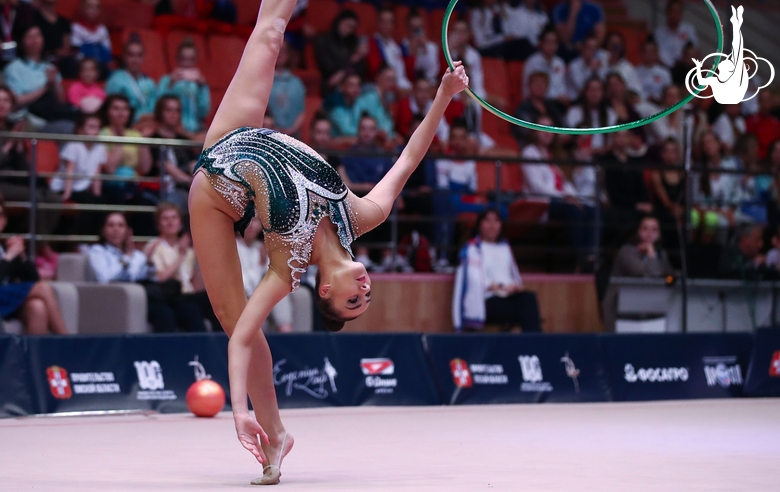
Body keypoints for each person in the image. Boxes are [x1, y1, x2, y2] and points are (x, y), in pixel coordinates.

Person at [187, 1, 468, 483]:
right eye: (368, 294)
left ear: (323, 291)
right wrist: (444, 94)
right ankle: (277, 433)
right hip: (240, 132)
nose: (364, 288)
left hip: (213, 192)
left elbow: (241, 341)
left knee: (237, 321)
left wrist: (238, 410)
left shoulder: (288, 267)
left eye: (353, 300)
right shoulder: (362, 216)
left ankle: (272, 430)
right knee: (271, 30)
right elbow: (408, 160)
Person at [521, 115, 595, 270]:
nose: (547, 133)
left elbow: (565, 183)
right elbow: (537, 186)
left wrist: (575, 198)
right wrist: (566, 197)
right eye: (543, 129)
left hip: (558, 201)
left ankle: (590, 256)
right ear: (534, 132)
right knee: (572, 210)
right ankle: (580, 259)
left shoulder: (553, 154)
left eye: (550, 129)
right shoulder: (529, 152)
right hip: (541, 203)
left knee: (591, 211)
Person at [88, 211, 179, 333]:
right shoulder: (98, 251)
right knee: (164, 310)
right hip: (115, 297)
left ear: (127, 231)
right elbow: (105, 278)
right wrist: (126, 258)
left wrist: (149, 262)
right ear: (103, 230)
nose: (116, 230)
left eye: (120, 225)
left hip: (140, 295)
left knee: (177, 302)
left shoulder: (136, 255)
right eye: (111, 225)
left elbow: (151, 278)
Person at [452, 208, 541, 333]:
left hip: (508, 296)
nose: (492, 225)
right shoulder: (472, 248)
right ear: (479, 225)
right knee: (526, 311)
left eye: (496, 221)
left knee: (528, 299)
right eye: (487, 221)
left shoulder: (505, 247)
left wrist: (515, 287)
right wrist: (500, 286)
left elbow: (513, 275)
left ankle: (535, 346)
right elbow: (474, 279)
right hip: (487, 300)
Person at [144, 203, 217, 332]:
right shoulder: (153, 247)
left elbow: (197, 287)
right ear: (158, 224)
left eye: (174, 218)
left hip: (189, 297)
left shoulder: (187, 250)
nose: (170, 222)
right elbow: (160, 278)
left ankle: (225, 346)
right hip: (170, 298)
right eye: (165, 219)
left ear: (180, 222)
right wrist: (180, 257)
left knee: (216, 303)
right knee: (192, 310)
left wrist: (198, 257)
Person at [0, 196, 68, 335]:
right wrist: (8, 258)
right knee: (43, 288)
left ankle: (35, 356)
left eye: (1, 216)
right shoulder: (6, 253)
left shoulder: (3, 246)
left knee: (38, 307)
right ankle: (68, 343)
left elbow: (33, 279)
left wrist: (22, 257)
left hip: (5, 299)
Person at [0, 85, 62, 236]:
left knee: (54, 198)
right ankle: (40, 247)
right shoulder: (11, 135)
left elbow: (24, 170)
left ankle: (42, 243)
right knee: (35, 197)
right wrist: (9, 145)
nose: (3, 104)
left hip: (16, 181)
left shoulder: (13, 128)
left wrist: (20, 147)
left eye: (7, 100)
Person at [602, 216, 674, 332]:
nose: (649, 233)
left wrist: (668, 280)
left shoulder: (661, 254)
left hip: (649, 306)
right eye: (645, 229)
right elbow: (648, 274)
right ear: (638, 232)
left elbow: (671, 277)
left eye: (654, 230)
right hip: (619, 307)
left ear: (659, 235)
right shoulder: (627, 251)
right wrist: (651, 252)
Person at [3, 24, 77, 124]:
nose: (35, 40)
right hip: (25, 117)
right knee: (66, 126)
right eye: (30, 37)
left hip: (51, 113)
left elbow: (61, 101)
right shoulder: (13, 68)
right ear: (21, 42)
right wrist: (46, 86)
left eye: (38, 36)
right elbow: (16, 102)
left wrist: (54, 83)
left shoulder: (49, 67)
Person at [49, 112, 106, 236]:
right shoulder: (73, 145)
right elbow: (70, 172)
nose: (95, 131)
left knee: (100, 204)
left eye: (97, 127)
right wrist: (66, 195)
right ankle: (83, 240)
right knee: (87, 203)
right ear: (80, 130)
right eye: (91, 127)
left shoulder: (100, 147)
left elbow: (97, 175)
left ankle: (97, 240)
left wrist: (98, 195)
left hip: (81, 190)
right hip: (63, 188)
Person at [98, 94, 153, 204]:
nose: (121, 113)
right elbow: (110, 169)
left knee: (148, 202)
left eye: (125, 109)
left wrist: (144, 141)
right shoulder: (101, 134)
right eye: (116, 108)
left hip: (133, 185)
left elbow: (145, 169)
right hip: (111, 187)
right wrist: (120, 139)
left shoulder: (136, 135)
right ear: (107, 112)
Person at [149, 95, 199, 210]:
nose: (173, 114)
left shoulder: (185, 140)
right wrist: (192, 182)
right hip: (165, 190)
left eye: (176, 110)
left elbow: (193, 164)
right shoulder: (153, 140)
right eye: (169, 110)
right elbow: (165, 166)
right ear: (160, 112)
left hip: (188, 188)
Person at [157, 38, 210, 135]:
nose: (187, 63)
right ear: (177, 58)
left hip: (194, 128)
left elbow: (204, 112)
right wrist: (171, 84)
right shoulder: (166, 80)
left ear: (195, 60)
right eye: (183, 58)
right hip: (171, 130)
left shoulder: (200, 84)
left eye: (191, 59)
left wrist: (202, 88)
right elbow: (158, 108)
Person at [313, 9, 367, 95]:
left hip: (352, 83)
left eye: (352, 27)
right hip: (330, 85)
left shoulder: (353, 43)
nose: (348, 29)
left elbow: (360, 68)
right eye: (347, 24)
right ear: (339, 21)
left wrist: (342, 73)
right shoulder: (323, 41)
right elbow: (328, 68)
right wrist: (352, 61)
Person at [105, 37, 158, 122]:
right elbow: (111, 112)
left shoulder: (150, 83)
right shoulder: (116, 81)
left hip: (150, 124)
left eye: (139, 55)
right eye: (131, 55)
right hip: (126, 126)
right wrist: (140, 118)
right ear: (125, 57)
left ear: (143, 57)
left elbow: (155, 109)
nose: (135, 60)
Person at [328, 72, 395, 140]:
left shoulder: (361, 104)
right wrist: (373, 133)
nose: (355, 88)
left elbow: (378, 121)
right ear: (342, 87)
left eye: (358, 85)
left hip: (358, 143)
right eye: (351, 85)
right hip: (337, 145)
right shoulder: (336, 108)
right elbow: (347, 131)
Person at [367, 7, 411, 91]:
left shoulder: (398, 45)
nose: (386, 25)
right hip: (383, 86)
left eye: (389, 22)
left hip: (401, 84)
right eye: (383, 21)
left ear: (393, 25)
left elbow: (407, 72)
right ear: (378, 23)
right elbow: (375, 71)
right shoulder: (372, 44)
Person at [268, 40, 305, 137]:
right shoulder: (264, 81)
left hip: (293, 135)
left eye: (283, 50)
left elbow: (301, 112)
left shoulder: (296, 83)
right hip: (268, 133)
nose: (279, 53)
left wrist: (291, 130)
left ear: (288, 54)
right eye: (277, 49)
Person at [522, 30, 568, 105]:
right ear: (541, 43)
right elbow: (528, 89)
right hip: (537, 101)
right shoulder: (532, 62)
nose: (551, 46)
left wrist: (563, 96)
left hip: (557, 102)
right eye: (548, 42)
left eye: (554, 43)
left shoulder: (559, 62)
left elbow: (561, 85)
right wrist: (555, 97)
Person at [70, 0, 112, 73]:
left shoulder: (102, 29)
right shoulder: (76, 27)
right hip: (82, 65)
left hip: (100, 65)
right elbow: (76, 52)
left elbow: (107, 51)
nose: (93, 11)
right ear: (83, 8)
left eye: (96, 8)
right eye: (90, 7)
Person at [654, 0, 698, 68]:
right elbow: (658, 55)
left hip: (685, 67)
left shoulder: (688, 29)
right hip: (666, 68)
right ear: (667, 12)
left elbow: (694, 50)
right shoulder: (659, 32)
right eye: (673, 11)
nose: (675, 15)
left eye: (678, 12)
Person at [400, 9, 439, 84]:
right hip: (410, 84)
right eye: (414, 29)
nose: (417, 32)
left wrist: (426, 49)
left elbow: (433, 72)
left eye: (419, 28)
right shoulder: (403, 46)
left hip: (429, 84)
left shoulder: (431, 47)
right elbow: (405, 74)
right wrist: (412, 53)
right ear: (408, 28)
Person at [566, 34, 607, 100]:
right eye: (589, 47)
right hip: (577, 99)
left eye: (594, 48)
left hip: (595, 98)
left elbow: (603, 83)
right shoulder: (574, 65)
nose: (591, 51)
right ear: (583, 48)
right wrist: (589, 69)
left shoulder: (598, 63)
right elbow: (582, 88)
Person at [635, 39, 672, 104]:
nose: (649, 54)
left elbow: (669, 92)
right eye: (647, 52)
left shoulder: (664, 72)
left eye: (652, 51)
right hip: (642, 104)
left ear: (656, 53)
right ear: (642, 53)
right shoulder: (635, 72)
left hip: (661, 104)